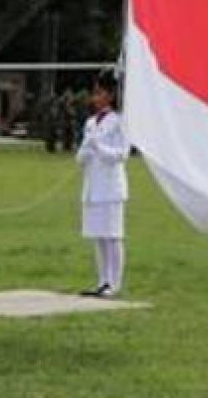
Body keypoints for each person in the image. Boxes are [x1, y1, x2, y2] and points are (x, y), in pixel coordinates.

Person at [76, 70, 129, 298]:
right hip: (93, 186)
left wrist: (98, 146)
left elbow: (121, 154)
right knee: (98, 236)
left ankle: (114, 283)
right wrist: (86, 149)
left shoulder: (120, 121)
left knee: (112, 235)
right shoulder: (90, 122)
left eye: (99, 93)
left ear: (109, 95)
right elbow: (80, 158)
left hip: (110, 187)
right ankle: (102, 280)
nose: (94, 98)